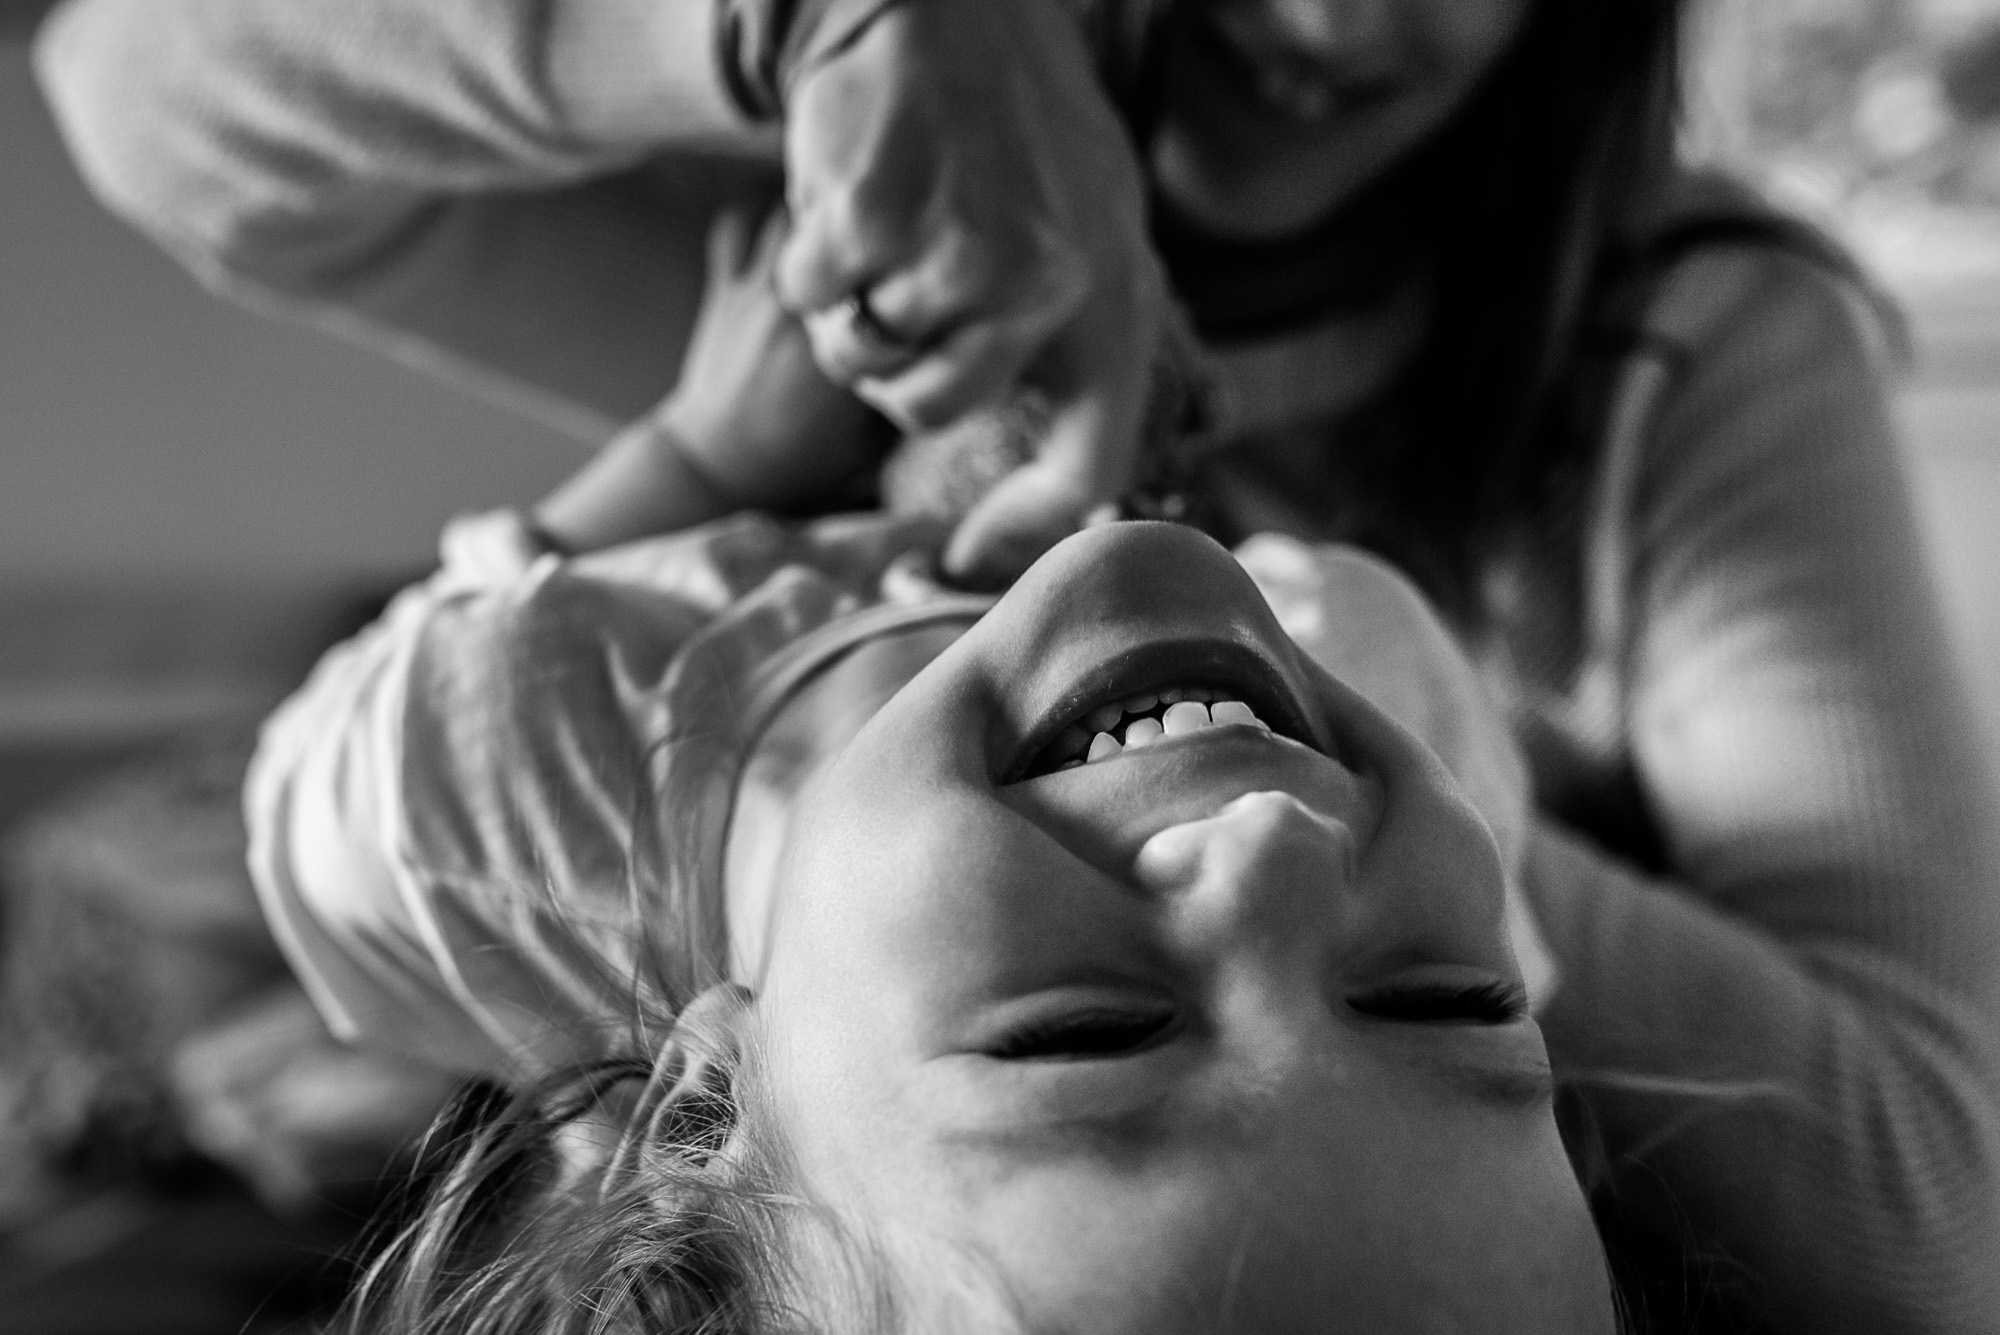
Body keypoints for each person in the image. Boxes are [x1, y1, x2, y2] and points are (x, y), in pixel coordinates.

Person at [32, 0, 2000, 1328]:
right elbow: (145, 89)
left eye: (1086, 1037)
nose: (1337, 21)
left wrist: (733, 475)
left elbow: (1935, 1197)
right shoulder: (890, 154)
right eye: (1450, 993)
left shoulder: (1686, 354)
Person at [250, 501, 1609, 1333]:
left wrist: (719, 438)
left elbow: (392, 676)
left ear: (710, 1108)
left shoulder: (467, 801)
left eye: (1085, 1038)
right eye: (1453, 1004)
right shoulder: (1393, 687)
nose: (1278, 843)